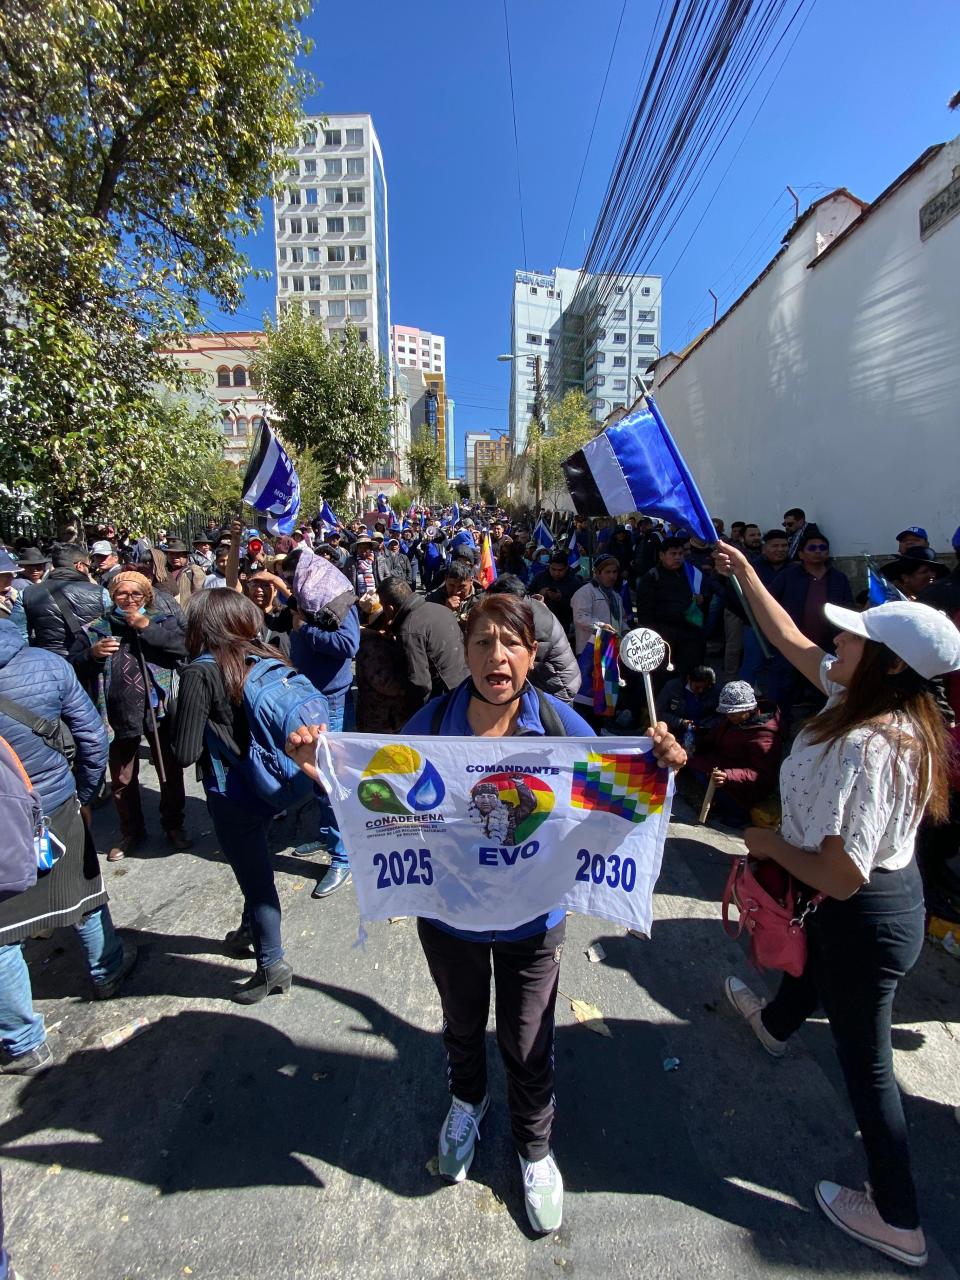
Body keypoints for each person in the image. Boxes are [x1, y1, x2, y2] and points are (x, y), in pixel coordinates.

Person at [286, 592, 687, 1234]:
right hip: (450, 921)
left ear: (531, 654)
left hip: (534, 923)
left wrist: (658, 764)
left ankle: (534, 1148)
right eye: (482, 642)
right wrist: (319, 769)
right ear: (466, 653)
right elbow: (378, 797)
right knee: (461, 1024)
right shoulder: (433, 725)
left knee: (528, 1043)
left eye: (510, 643)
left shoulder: (560, 730)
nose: (496, 656)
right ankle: (467, 1103)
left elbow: (619, 799)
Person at [714, 540, 960, 1268]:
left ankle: (898, 1216)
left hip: (865, 912)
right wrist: (747, 573)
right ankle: (775, 1025)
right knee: (812, 964)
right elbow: (790, 640)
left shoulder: (876, 743)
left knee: (868, 1067)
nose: (836, 638)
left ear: (888, 662)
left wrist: (765, 848)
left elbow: (841, 873)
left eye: (853, 635)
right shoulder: (863, 695)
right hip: (860, 911)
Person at [0, 618, 134, 1074]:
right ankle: (107, 971)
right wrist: (85, 791)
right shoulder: (47, 664)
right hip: (55, 800)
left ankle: (23, 1042)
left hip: (6, 815)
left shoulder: (48, 662)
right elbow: (94, 735)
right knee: (84, 893)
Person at [171, 591, 312, 1002]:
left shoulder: (200, 672)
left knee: (255, 875)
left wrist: (180, 711)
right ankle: (249, 929)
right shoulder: (269, 652)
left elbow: (184, 753)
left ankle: (272, 965)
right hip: (273, 781)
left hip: (231, 791)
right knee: (253, 859)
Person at [76, 571, 190, 860]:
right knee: (123, 776)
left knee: (169, 769)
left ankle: (173, 825)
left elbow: (184, 648)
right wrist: (92, 654)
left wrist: (146, 627)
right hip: (117, 711)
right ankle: (131, 831)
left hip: (158, 709)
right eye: (121, 594)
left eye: (135, 594)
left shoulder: (162, 621)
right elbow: (73, 666)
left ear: (146, 597)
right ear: (112, 596)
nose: (128, 599)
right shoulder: (96, 628)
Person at [283, 550, 359, 898]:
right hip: (307, 694)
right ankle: (329, 836)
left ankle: (343, 857)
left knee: (329, 776)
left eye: (289, 577)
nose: (288, 583)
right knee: (313, 773)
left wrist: (306, 629)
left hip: (330, 699)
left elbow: (348, 644)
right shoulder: (306, 600)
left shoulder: (337, 602)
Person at [767, 528, 853, 722]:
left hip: (828, 645)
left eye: (822, 548)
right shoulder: (788, 576)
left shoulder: (839, 578)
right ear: (801, 554)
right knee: (784, 690)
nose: (818, 551)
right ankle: (781, 729)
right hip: (793, 644)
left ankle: (823, 727)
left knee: (824, 691)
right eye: (812, 548)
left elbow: (848, 608)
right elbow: (770, 601)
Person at [685, 679, 782, 825]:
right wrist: (693, 746)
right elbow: (712, 738)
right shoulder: (732, 720)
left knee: (732, 813)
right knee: (689, 761)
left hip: (743, 786)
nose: (728, 717)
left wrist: (728, 776)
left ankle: (734, 813)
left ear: (748, 710)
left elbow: (761, 775)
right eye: (727, 713)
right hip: (723, 764)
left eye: (733, 714)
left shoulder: (765, 737)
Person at [376, 577, 468, 714]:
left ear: (389, 608)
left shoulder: (409, 630)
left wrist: (418, 719)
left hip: (444, 703)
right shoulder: (441, 609)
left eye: (383, 607)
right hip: (465, 688)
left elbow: (419, 683)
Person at [486, 576, 581, 703]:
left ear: (509, 600)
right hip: (547, 679)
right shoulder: (525, 609)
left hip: (558, 684)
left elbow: (530, 660)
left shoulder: (535, 619)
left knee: (553, 721)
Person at [634, 537, 705, 687]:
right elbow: (645, 612)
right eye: (673, 554)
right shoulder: (652, 577)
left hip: (689, 635)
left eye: (680, 553)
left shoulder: (690, 575)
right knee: (663, 678)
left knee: (690, 674)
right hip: (663, 637)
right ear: (662, 555)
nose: (678, 557)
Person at [22, 546, 106, 667]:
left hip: (48, 665)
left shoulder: (27, 592)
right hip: (88, 662)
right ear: (80, 566)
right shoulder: (101, 593)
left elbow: (21, 637)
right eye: (88, 566)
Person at [571, 553, 626, 656]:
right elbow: (580, 618)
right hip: (589, 651)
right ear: (597, 573)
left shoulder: (616, 596)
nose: (612, 576)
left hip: (611, 652)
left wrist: (625, 630)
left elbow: (621, 620)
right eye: (607, 572)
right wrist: (601, 626)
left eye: (614, 572)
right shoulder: (585, 592)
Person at [655, 664, 718, 740]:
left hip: (703, 734)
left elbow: (717, 715)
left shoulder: (713, 691)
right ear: (689, 679)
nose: (701, 691)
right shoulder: (672, 688)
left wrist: (705, 726)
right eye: (697, 687)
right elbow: (659, 712)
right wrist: (681, 722)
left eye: (705, 688)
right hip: (675, 733)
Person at [529, 552, 582, 635]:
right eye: (553, 569)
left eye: (560, 570)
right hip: (541, 626)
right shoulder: (540, 578)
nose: (557, 573)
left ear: (567, 567)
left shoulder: (574, 582)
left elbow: (580, 608)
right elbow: (526, 598)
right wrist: (539, 595)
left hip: (564, 627)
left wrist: (561, 599)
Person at [879, 547, 948, 599]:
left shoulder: (939, 598)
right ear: (906, 577)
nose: (932, 575)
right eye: (924, 571)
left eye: (933, 570)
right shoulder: (891, 601)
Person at [426, 561, 479, 627]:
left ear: (471, 581)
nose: (456, 592)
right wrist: (444, 611)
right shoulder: (432, 599)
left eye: (461, 586)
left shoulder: (483, 600)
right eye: (451, 585)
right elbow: (427, 626)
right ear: (445, 580)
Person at [164, 539, 207, 609]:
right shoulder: (164, 571)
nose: (175, 557)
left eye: (178, 554)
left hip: (186, 613)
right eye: (171, 554)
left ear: (185, 556)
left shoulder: (195, 570)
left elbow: (200, 596)